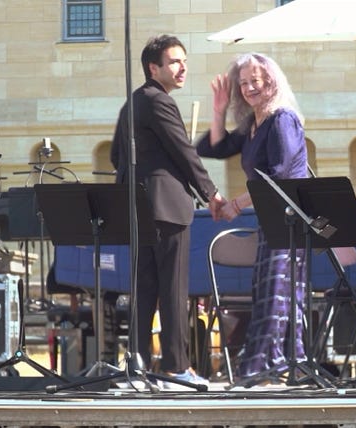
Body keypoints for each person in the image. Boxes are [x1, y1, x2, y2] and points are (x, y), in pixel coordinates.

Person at [110, 34, 225, 386]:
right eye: (174, 61)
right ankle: (177, 367)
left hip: (138, 207)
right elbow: (183, 151)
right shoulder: (158, 100)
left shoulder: (132, 103)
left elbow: (117, 156)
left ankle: (138, 366)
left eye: (184, 61)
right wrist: (212, 193)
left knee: (144, 289)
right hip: (167, 207)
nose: (182, 67)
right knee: (174, 290)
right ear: (153, 67)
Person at [196, 52, 308, 380]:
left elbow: (278, 176)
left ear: (271, 81)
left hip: (289, 219)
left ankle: (268, 367)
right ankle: (285, 365)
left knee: (278, 295)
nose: (248, 88)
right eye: (243, 83)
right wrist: (218, 111)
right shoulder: (253, 125)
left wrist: (236, 204)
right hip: (270, 220)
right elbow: (215, 148)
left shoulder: (282, 119)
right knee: (269, 294)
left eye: (254, 81)